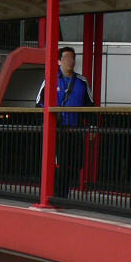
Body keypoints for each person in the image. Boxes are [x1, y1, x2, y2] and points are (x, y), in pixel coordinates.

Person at [36, 47, 94, 199]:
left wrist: (92, 126)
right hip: (57, 130)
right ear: (59, 61)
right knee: (58, 163)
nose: (70, 61)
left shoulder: (82, 82)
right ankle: (58, 194)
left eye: (72, 58)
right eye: (67, 57)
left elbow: (90, 106)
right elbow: (39, 103)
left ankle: (62, 192)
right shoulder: (50, 79)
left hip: (75, 131)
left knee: (75, 164)